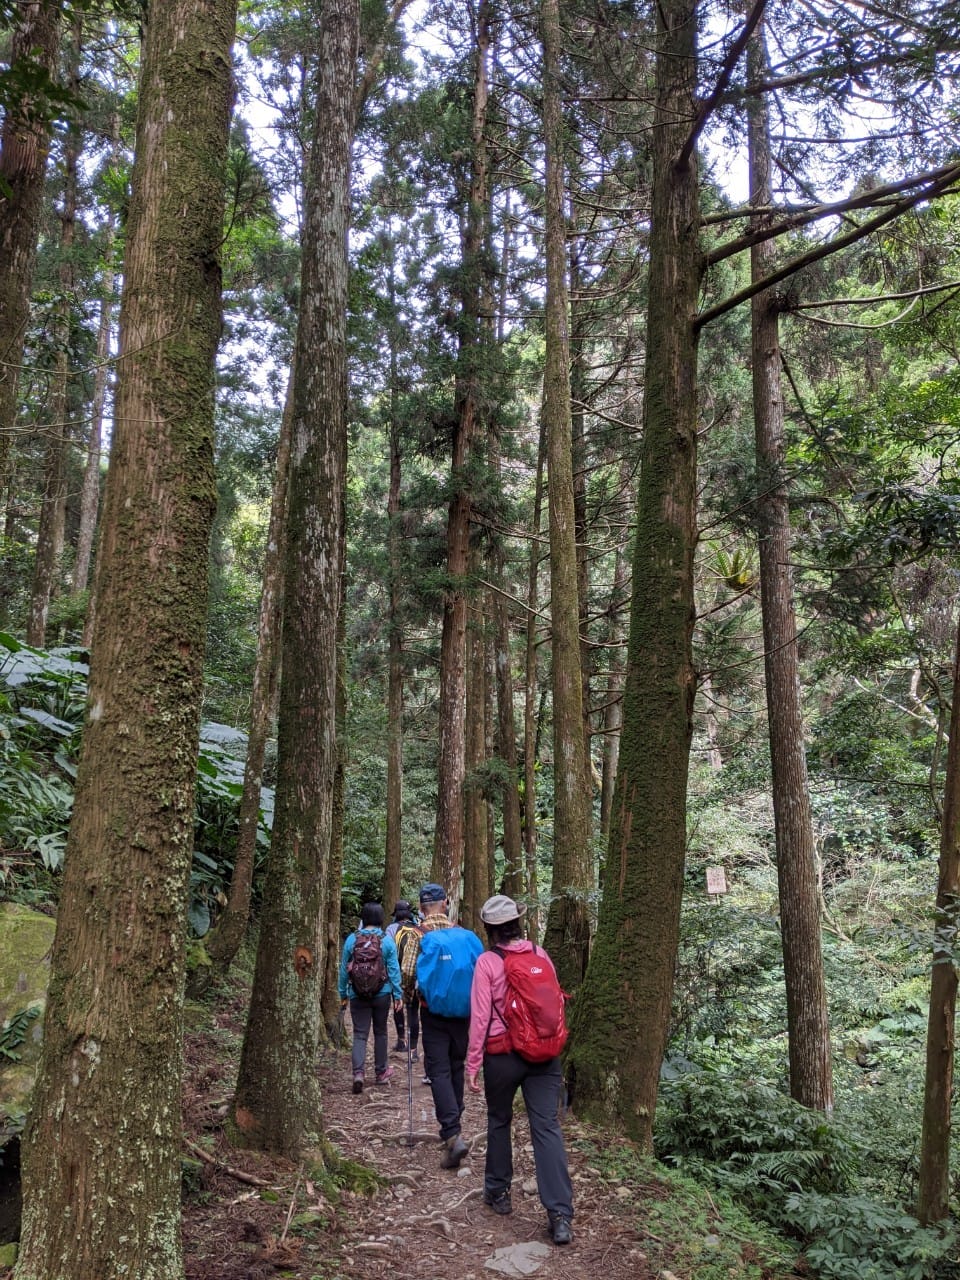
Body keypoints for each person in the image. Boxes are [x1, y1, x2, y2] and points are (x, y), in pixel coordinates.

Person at [467, 894, 575, 1246]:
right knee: (546, 1127)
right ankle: (560, 1215)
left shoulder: (486, 963)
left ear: (490, 929)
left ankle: (498, 1193)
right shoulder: (540, 955)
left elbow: (481, 1018)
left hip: (502, 1057)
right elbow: (554, 1004)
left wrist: (472, 1064)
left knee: (499, 1120)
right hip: (544, 1056)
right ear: (518, 923)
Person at [400, 882, 481, 1169]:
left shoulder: (418, 936)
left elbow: (408, 972)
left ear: (421, 909)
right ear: (445, 904)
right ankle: (455, 1119)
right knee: (456, 1065)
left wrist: (407, 996)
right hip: (463, 1013)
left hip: (432, 1013)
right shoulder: (465, 935)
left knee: (439, 1070)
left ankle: (451, 1133)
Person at [338, 902, 403, 1094]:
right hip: (382, 993)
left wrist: (343, 993)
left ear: (363, 918)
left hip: (357, 994)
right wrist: (397, 994)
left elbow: (344, 970)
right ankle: (381, 1072)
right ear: (381, 919)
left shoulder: (352, 940)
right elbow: (393, 969)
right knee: (381, 1032)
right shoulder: (387, 941)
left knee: (359, 1033)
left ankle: (358, 1073)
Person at [385, 899, 421, 1059]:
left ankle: (401, 1040)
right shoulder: (418, 928)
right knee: (413, 1010)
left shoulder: (391, 929)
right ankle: (413, 1049)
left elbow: (388, 953)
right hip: (416, 975)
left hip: (398, 974)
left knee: (398, 1005)